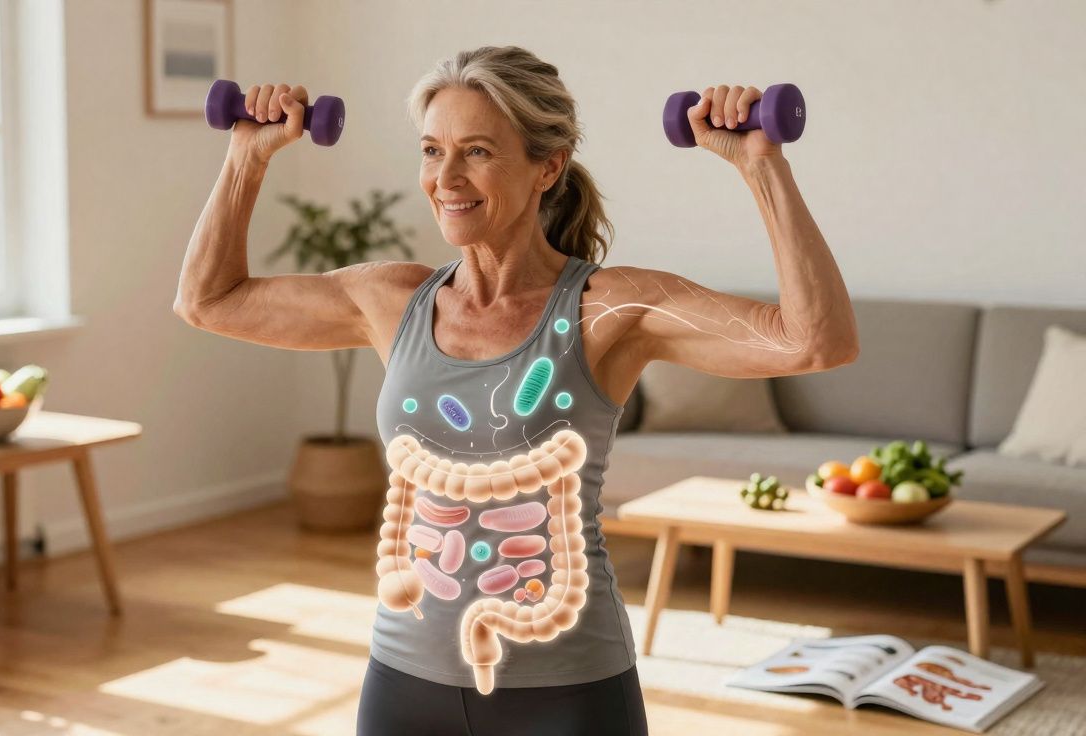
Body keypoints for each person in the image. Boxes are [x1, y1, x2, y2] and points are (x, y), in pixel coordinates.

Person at [173, 45, 858, 736]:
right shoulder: (390, 300)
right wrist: (247, 157)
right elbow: (208, 300)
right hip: (405, 683)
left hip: (567, 692)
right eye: (432, 150)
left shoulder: (608, 311)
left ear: (547, 167)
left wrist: (761, 166)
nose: (446, 177)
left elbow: (814, 340)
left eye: (476, 152)